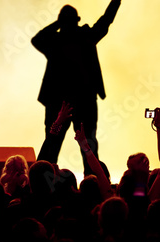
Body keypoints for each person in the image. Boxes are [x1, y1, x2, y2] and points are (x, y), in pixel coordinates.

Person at [32, 0, 121, 174]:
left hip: (63, 102)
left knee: (54, 142)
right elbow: (106, 20)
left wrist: (58, 24)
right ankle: (92, 181)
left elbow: (38, 39)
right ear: (77, 20)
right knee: (86, 145)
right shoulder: (85, 36)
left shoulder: (56, 40)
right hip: (79, 102)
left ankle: (42, 182)